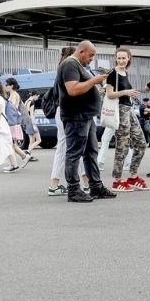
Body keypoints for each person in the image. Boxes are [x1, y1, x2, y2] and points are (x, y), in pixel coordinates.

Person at [56, 40, 116, 203]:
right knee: (74, 153)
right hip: (76, 116)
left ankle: (95, 187)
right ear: (81, 51)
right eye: (91, 55)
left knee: (90, 152)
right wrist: (94, 81)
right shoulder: (70, 64)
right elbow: (73, 89)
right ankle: (74, 190)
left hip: (85, 116)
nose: (92, 59)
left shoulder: (79, 66)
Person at [47, 47, 88, 196]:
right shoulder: (70, 70)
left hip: (60, 111)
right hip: (70, 112)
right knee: (77, 147)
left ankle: (55, 184)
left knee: (64, 146)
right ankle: (86, 182)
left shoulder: (60, 70)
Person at [105, 47, 147, 192]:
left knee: (141, 143)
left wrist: (130, 95)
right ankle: (117, 181)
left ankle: (133, 176)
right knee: (122, 146)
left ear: (129, 58)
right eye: (119, 58)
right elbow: (109, 94)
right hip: (120, 111)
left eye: (124, 58)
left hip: (129, 110)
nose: (121, 60)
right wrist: (126, 92)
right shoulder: (113, 74)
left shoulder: (125, 72)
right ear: (115, 58)